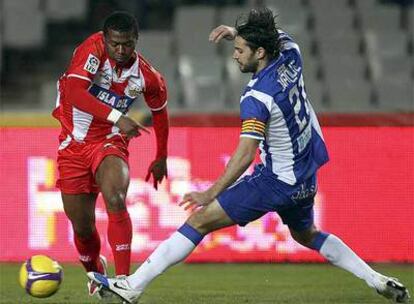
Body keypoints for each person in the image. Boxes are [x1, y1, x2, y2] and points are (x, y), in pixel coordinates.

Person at [87, 8, 410, 304]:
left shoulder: (257, 96)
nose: (235, 54)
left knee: (198, 221)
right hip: (306, 174)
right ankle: (377, 280)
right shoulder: (291, 55)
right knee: (307, 234)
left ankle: (132, 287)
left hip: (276, 180)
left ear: (260, 52)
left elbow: (244, 154)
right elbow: (280, 37)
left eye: (241, 49)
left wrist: (210, 192)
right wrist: (236, 30)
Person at [52, 11, 169, 299]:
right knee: (82, 227)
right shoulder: (91, 50)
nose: (120, 50)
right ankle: (95, 269)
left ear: (136, 41)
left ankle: (124, 281)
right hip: (73, 143)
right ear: (105, 40)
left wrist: (161, 156)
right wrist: (118, 116)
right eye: (115, 44)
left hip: (109, 140)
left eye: (127, 44)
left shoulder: (148, 76)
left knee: (116, 197)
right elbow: (75, 91)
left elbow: (161, 114)